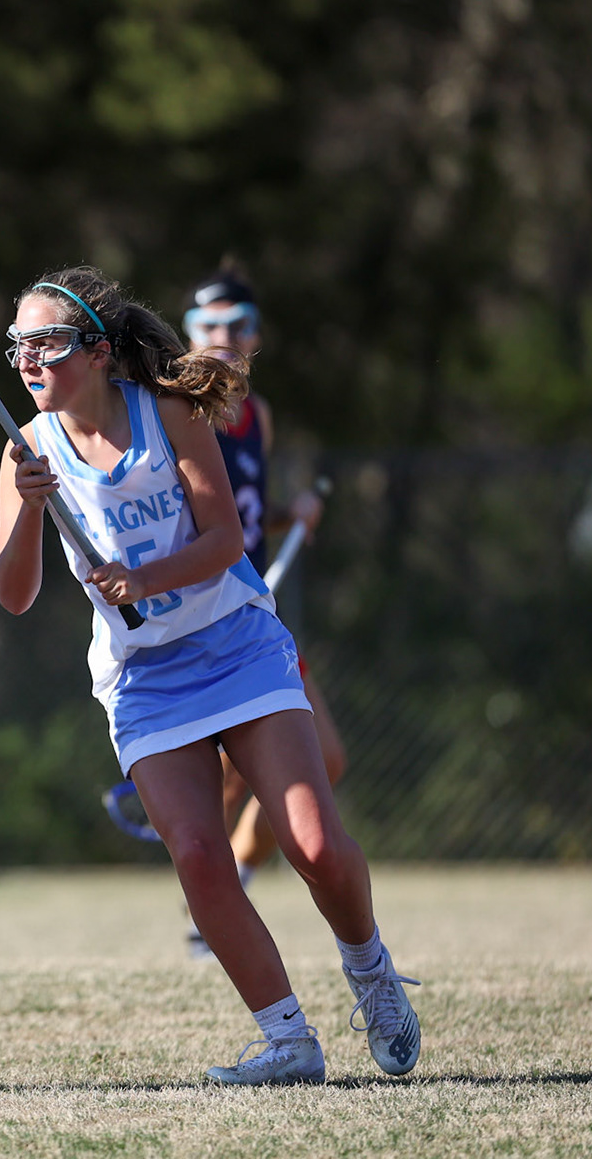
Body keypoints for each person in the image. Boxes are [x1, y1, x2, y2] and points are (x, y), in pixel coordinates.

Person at [0, 267, 419, 1085]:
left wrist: (143, 579)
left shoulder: (171, 414)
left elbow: (225, 539)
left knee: (317, 843)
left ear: (98, 349)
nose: (28, 358)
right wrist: (30, 511)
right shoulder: (26, 451)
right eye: (17, 345)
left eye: (44, 341)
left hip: (235, 640)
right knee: (198, 855)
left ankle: (368, 968)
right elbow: (14, 596)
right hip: (142, 675)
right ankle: (288, 1040)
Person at [181, 266, 347, 957]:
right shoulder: (174, 410)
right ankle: (211, 907)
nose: (224, 337)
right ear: (189, 335)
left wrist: (291, 515)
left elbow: (239, 515)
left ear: (254, 335)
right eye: (210, 326)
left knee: (325, 761)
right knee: (212, 783)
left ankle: (238, 874)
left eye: (237, 325)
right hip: (195, 616)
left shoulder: (258, 415)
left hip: (253, 610)